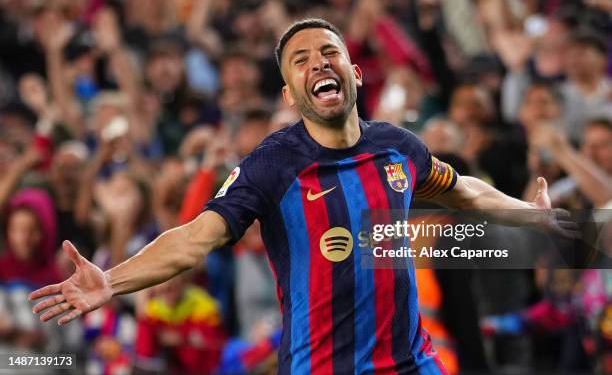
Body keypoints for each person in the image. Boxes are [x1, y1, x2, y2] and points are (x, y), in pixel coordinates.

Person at [30, 19, 567, 374]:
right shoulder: (272, 164)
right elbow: (196, 238)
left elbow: (463, 192)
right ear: (290, 94)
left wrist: (529, 215)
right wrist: (113, 281)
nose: (318, 63)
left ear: (354, 73)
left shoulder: (398, 148)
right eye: (300, 60)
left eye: (329, 52)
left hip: (411, 363)